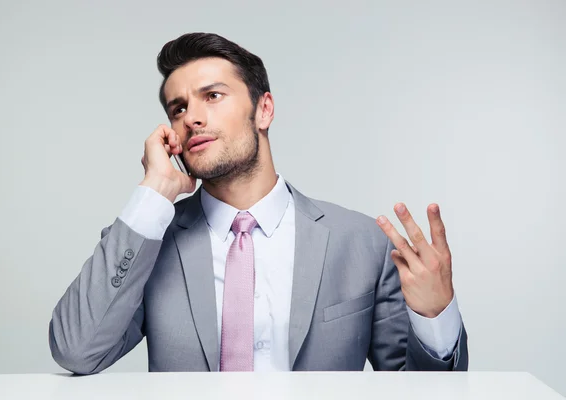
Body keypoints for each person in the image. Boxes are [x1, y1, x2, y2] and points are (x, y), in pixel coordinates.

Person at [49, 32, 468, 374]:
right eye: (179, 108)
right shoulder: (148, 242)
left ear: (264, 109)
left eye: (212, 96)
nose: (191, 116)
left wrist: (435, 319)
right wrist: (154, 190)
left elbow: (412, 389)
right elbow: (76, 351)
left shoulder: (361, 243)